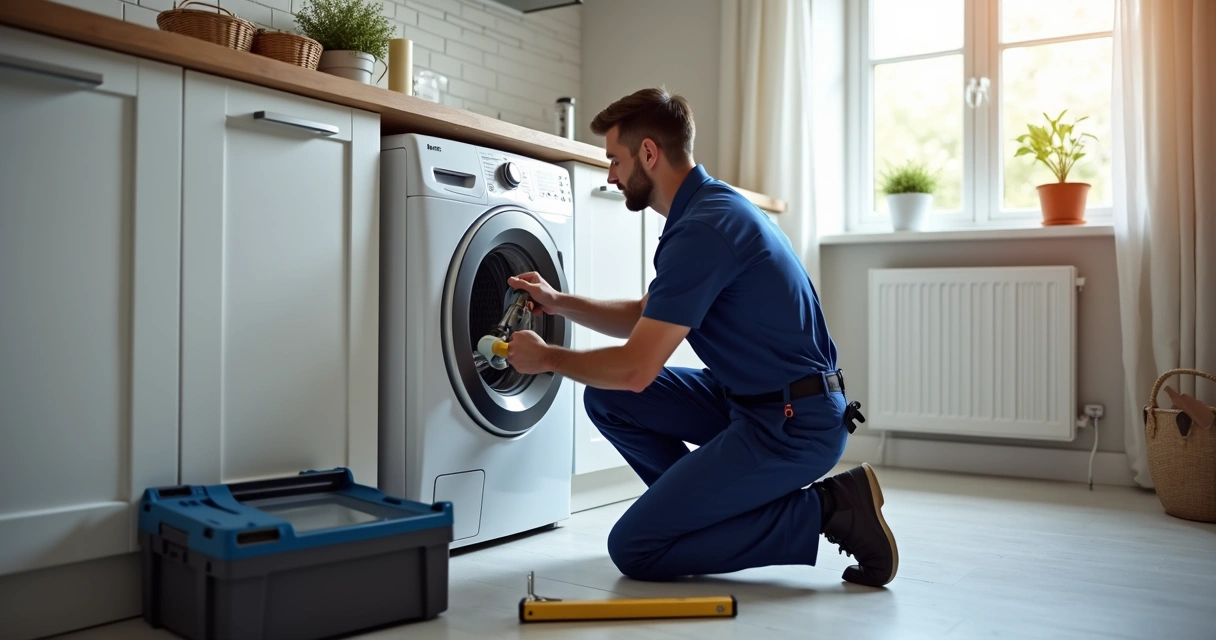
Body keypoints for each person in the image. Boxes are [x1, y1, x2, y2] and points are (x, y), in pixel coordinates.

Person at [503, 88, 898, 587]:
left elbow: (635, 367)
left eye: (615, 160)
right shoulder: (707, 208)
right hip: (754, 402)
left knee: (635, 548)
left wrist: (547, 358)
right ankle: (700, 510)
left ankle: (828, 508)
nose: (610, 175)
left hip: (793, 423)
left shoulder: (706, 228)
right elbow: (648, 315)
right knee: (609, 400)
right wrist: (561, 302)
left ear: (649, 153)